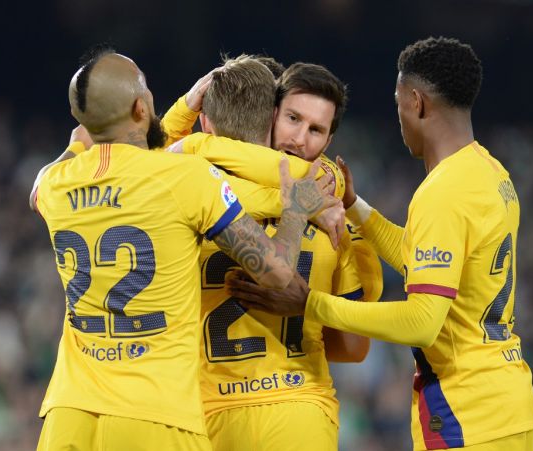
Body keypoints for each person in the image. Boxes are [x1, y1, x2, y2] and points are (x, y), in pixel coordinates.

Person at [226, 37, 533, 450]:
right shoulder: (490, 173)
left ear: (416, 102)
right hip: (508, 400)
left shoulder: (442, 192)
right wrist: (356, 207)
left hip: (466, 412)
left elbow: (423, 323)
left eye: (397, 105)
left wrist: (311, 303)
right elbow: (419, 260)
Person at [29, 47, 337, 451]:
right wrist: (294, 210)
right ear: (141, 107)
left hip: (68, 416)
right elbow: (279, 272)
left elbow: (39, 185)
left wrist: (78, 140)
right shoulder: (186, 179)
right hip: (156, 417)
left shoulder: (56, 184)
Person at [163, 57, 381, 450]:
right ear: (271, 115)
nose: (299, 139)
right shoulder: (333, 214)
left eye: (315, 129)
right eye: (293, 120)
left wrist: (190, 131)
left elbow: (141, 163)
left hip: (206, 412)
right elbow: (352, 348)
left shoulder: (188, 187)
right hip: (301, 408)